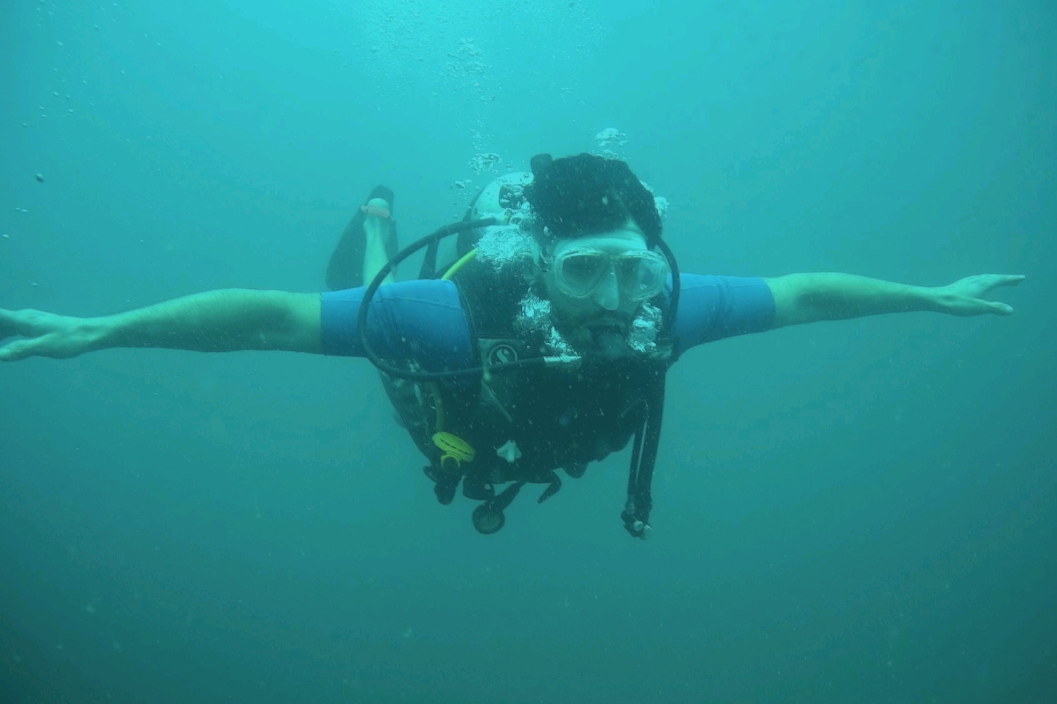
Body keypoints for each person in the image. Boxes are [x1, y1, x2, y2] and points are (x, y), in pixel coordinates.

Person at [0, 153, 1024, 539]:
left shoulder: (665, 304)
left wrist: (933, 296)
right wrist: (101, 331)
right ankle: (372, 218)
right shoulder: (450, 318)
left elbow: (802, 293)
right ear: (542, 265)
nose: (618, 297)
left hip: (525, 440)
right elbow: (265, 316)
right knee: (362, 298)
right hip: (443, 411)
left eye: (634, 267)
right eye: (586, 272)